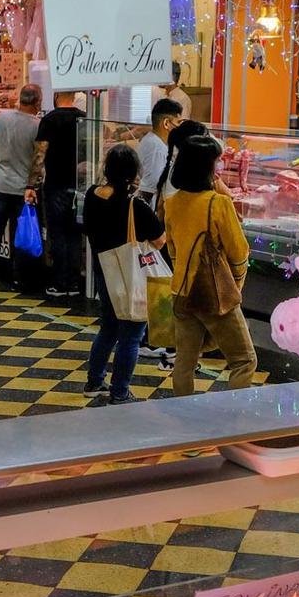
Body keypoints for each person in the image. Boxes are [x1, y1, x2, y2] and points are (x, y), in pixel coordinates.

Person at [162, 132, 254, 395]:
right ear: (207, 167)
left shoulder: (172, 202)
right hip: (215, 295)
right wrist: (235, 285)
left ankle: (187, 422)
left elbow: (174, 250)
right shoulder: (219, 203)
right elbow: (239, 252)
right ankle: (232, 421)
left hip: (180, 290)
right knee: (244, 361)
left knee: (184, 363)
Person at [81, 143, 166, 405]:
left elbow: (88, 228)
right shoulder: (134, 206)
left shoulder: (92, 194)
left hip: (103, 269)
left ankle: (94, 381)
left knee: (109, 326)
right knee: (132, 332)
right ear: (133, 173)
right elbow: (160, 240)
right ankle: (120, 391)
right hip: (131, 274)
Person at [0, 83, 41, 292]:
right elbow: (38, 159)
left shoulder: (2, 117)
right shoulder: (36, 125)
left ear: (19, 99)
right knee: (20, 233)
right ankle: (19, 279)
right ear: (38, 101)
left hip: (1, 184)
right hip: (23, 188)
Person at [35, 91, 87, 299]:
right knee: (74, 234)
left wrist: (32, 184)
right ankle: (74, 283)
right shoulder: (83, 117)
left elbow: (40, 154)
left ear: (56, 97)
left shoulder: (49, 120)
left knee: (57, 235)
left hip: (55, 185)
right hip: (79, 186)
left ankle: (59, 282)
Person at [138, 97, 184, 207]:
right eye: (178, 122)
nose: (179, 127)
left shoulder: (152, 141)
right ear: (166, 123)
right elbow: (148, 190)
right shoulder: (157, 149)